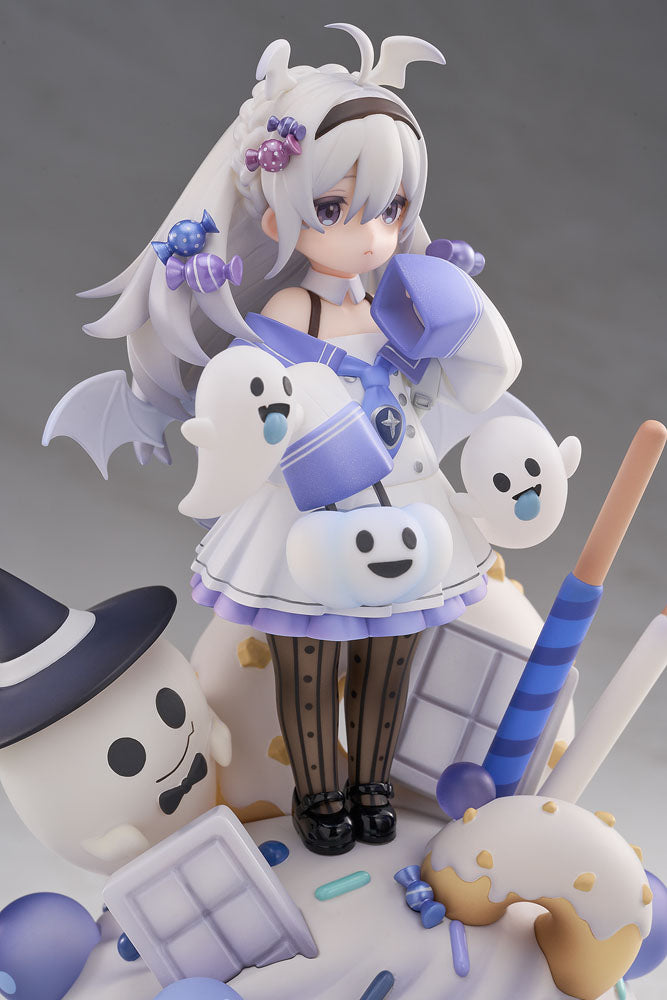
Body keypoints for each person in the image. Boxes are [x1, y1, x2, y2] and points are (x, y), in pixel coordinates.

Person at [48, 25, 528, 855]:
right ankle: (319, 796)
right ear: (279, 214)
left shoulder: (397, 303)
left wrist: (459, 307)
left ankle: (371, 784)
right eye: (335, 209)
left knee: (390, 659)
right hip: (310, 507)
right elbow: (257, 413)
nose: (370, 233)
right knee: (309, 666)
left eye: (391, 208)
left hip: (405, 497)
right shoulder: (286, 312)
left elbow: (476, 380)